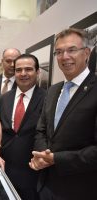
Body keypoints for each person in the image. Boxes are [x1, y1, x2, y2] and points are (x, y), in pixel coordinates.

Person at [29, 28, 97, 199]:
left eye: (72, 50)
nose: (64, 56)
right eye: (59, 52)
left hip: (81, 189)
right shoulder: (53, 90)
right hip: (46, 186)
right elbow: (41, 130)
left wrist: (57, 159)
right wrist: (43, 156)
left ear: (86, 53)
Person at [0, 54, 46, 200]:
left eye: (28, 69)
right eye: (19, 70)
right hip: (5, 173)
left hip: (33, 176)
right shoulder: (2, 99)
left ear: (38, 72)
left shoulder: (47, 98)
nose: (23, 74)